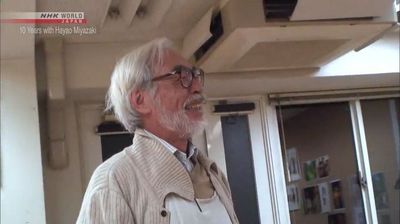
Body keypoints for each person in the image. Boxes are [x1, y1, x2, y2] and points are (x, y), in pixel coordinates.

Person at [76, 38, 239, 224]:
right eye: (181, 77)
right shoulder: (114, 181)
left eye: (195, 76)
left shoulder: (213, 174)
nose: (197, 87)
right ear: (140, 100)